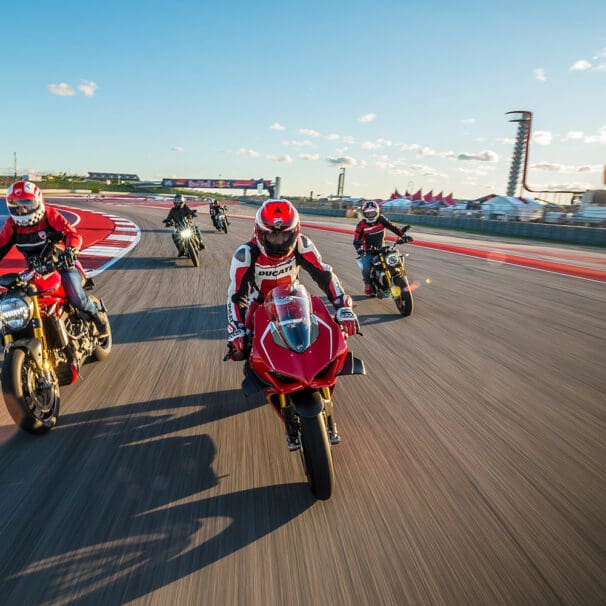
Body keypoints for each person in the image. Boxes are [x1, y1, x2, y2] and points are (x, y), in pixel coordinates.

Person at [226, 199, 358, 358]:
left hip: (295, 297)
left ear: (295, 231)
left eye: (285, 235)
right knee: (240, 351)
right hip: (259, 303)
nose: (279, 241)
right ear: (260, 232)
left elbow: (324, 274)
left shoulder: (302, 244)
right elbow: (237, 294)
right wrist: (237, 326)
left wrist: (343, 306)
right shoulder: (245, 254)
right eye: (272, 235)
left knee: (332, 331)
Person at [0, 180, 108, 334]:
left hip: (61, 264)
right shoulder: (12, 224)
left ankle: (98, 317)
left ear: (38, 202)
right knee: (11, 301)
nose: (22, 210)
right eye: (16, 206)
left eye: (27, 204)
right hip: (35, 271)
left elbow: (71, 233)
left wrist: (71, 250)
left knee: (76, 297)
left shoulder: (49, 215)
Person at [353, 199, 413, 296]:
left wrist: (403, 236)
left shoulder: (381, 219)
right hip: (368, 251)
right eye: (368, 213)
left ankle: (401, 279)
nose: (370, 215)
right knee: (366, 268)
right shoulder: (361, 225)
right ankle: (368, 284)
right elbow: (356, 240)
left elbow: (393, 227)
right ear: (364, 214)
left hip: (382, 249)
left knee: (397, 257)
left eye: (372, 213)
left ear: (376, 212)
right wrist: (359, 249)